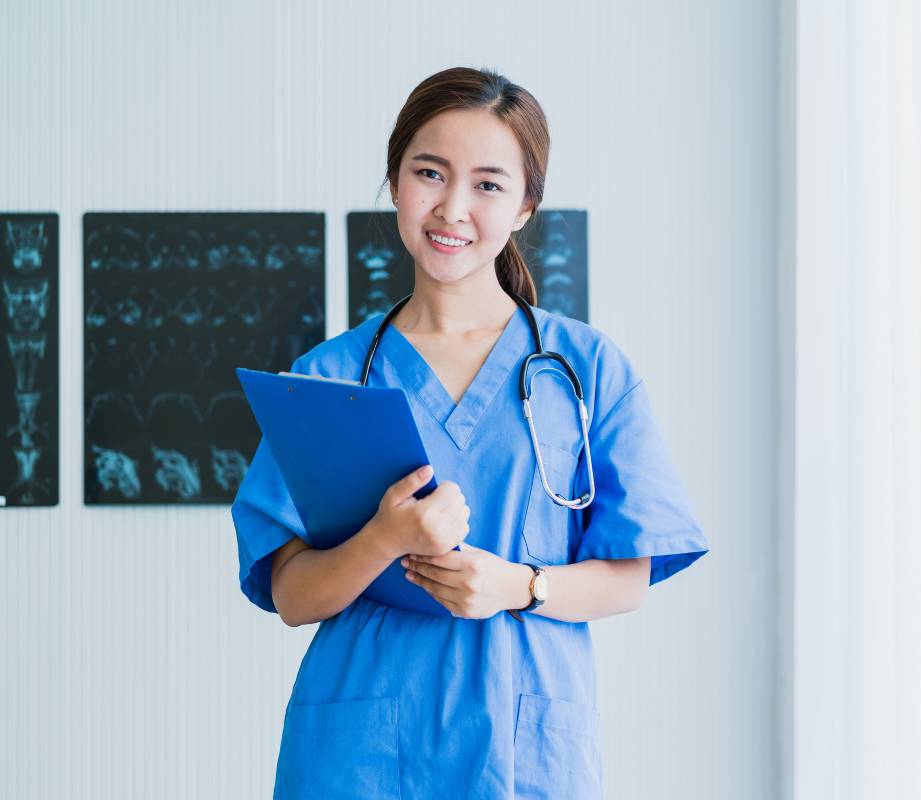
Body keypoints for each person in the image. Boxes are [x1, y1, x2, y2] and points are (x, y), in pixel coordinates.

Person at [231, 66, 710, 800]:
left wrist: (519, 586)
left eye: (488, 184)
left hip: (527, 750)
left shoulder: (584, 369)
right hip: (359, 755)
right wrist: (383, 539)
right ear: (396, 182)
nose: (451, 208)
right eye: (430, 173)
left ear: (524, 206)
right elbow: (292, 595)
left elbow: (629, 578)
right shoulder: (328, 376)